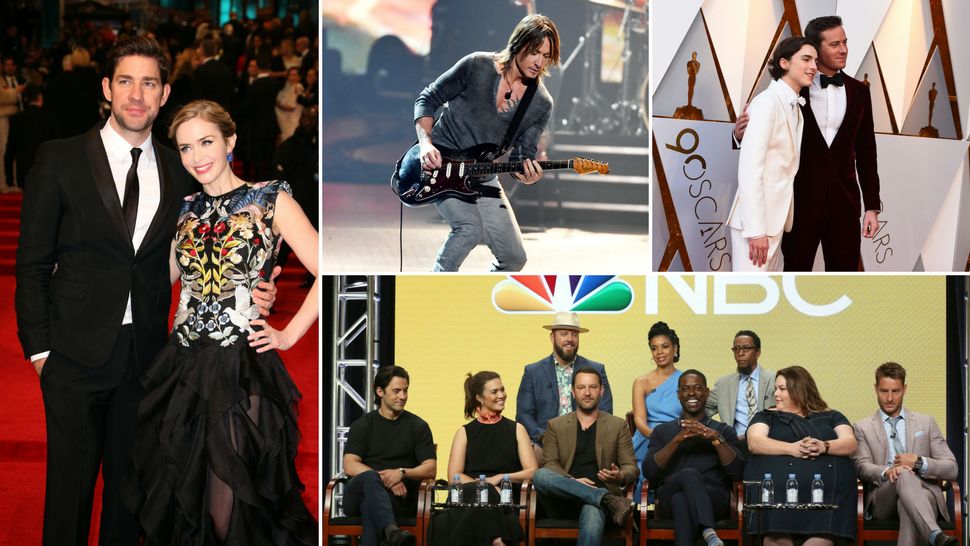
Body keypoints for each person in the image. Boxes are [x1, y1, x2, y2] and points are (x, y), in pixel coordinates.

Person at [14, 36, 276, 546]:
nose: (137, 94)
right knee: (68, 492)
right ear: (108, 88)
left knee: (131, 495)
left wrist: (258, 287)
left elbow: (224, 234)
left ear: (164, 93)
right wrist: (42, 350)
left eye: (149, 83)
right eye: (127, 81)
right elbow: (32, 264)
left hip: (150, 359)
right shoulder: (60, 159)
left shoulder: (182, 166)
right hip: (72, 355)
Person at [120, 99, 319, 543]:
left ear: (230, 141)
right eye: (185, 148)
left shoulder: (270, 198)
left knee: (227, 498)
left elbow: (329, 267)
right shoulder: (182, 207)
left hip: (240, 368)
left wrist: (288, 334)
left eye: (206, 142)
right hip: (182, 367)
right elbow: (160, 277)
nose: (197, 156)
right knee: (180, 493)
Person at [414, 13, 560, 271]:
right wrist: (426, 144)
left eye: (546, 56)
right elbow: (427, 99)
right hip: (442, 166)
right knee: (469, 228)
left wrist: (527, 174)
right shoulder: (476, 65)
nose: (539, 62)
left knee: (514, 257)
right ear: (519, 43)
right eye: (535, 52)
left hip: (481, 174)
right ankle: (435, 291)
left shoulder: (540, 102)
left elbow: (520, 158)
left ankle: (482, 304)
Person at [735, 16, 881, 271]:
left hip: (844, 205)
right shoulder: (791, 89)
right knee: (793, 276)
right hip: (798, 205)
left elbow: (867, 152)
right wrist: (738, 135)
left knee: (844, 277)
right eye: (834, 44)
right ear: (815, 48)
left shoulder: (860, 91)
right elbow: (760, 139)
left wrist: (871, 206)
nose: (843, 49)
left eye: (845, 42)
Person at [726, 37, 817, 271]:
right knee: (749, 299)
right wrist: (756, 230)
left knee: (764, 300)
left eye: (815, 60)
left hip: (775, 221)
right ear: (784, 63)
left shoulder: (796, 108)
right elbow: (750, 170)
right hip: (755, 225)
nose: (814, 66)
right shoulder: (767, 103)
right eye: (806, 59)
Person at [746, 366, 858, 546]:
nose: (776, 393)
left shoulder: (831, 416)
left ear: (799, 390)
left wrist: (824, 446)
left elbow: (850, 443)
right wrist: (792, 449)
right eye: (776, 388)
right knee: (776, 536)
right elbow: (755, 442)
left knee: (822, 536)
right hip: (778, 494)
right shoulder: (766, 416)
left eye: (782, 389)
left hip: (825, 494)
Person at [853, 362, 958, 546]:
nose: (890, 398)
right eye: (884, 391)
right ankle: (934, 533)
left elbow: (951, 467)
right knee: (902, 474)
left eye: (896, 391)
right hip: (884, 498)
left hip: (924, 496)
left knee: (907, 505)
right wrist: (888, 471)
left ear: (905, 389)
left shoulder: (926, 423)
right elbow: (861, 466)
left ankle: (935, 536)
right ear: (875, 389)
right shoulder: (862, 427)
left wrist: (919, 462)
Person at [532, 367, 639, 546]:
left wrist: (620, 475)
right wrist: (572, 481)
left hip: (596, 505)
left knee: (592, 509)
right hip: (563, 500)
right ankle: (607, 499)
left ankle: (601, 500)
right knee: (540, 475)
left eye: (592, 387)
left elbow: (631, 467)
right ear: (573, 392)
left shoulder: (617, 425)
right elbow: (550, 464)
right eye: (581, 387)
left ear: (601, 391)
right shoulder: (555, 425)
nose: (587, 393)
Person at [434, 371, 538, 545]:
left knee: (484, 499)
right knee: (484, 493)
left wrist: (500, 478)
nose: (501, 395)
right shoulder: (464, 432)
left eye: (502, 390)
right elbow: (454, 477)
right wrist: (486, 486)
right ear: (480, 398)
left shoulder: (517, 429)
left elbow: (533, 471)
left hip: (503, 496)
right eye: (494, 392)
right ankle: (496, 539)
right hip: (469, 495)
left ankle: (494, 538)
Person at [643, 370, 745, 546]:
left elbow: (736, 471)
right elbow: (650, 472)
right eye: (685, 389)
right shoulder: (663, 431)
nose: (691, 393)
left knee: (682, 500)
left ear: (706, 393)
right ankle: (708, 530)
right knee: (688, 474)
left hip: (713, 497)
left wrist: (715, 439)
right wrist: (677, 440)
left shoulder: (723, 430)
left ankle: (707, 530)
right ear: (678, 394)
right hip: (669, 492)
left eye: (697, 388)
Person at [342, 366, 438, 546]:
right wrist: (386, 478)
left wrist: (401, 473)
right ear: (380, 391)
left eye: (405, 390)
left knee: (370, 506)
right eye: (396, 391)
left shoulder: (418, 426)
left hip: (400, 499)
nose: (403, 396)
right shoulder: (363, 425)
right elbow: (350, 465)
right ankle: (392, 531)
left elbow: (430, 468)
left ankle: (390, 530)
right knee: (370, 479)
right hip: (358, 495)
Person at [517, 311, 613, 464]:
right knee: (531, 459)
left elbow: (605, 410)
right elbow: (524, 414)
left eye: (574, 334)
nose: (570, 339)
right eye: (564, 334)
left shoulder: (596, 369)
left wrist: (584, 436)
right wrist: (543, 436)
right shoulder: (533, 372)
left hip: (587, 441)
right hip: (545, 444)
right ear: (552, 337)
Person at [631, 321, 684, 492]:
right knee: (642, 475)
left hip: (677, 440)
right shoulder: (642, 381)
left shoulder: (686, 380)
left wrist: (674, 440)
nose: (659, 352)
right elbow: (639, 420)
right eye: (654, 348)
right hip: (647, 439)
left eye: (664, 346)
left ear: (675, 348)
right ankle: (641, 515)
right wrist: (658, 437)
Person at [706, 330, 776, 451]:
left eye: (746, 348)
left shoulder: (775, 379)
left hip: (768, 442)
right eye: (736, 349)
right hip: (735, 446)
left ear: (758, 352)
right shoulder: (723, 384)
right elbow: (701, 410)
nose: (740, 353)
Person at [4, 82, 59, 189]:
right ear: (40, 97)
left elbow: (10, 151)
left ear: (25, 99)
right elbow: (57, 146)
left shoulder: (16, 119)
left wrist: (9, 178)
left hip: (24, 170)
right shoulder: (50, 118)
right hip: (46, 170)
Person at [275, 66, 304, 141]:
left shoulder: (298, 87)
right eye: (290, 75)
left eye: (294, 75)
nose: (291, 77)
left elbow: (291, 107)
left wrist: (278, 104)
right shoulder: (287, 87)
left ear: (299, 77)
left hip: (292, 121)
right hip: (284, 122)